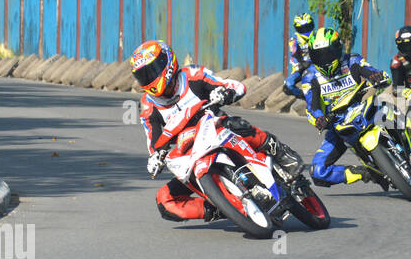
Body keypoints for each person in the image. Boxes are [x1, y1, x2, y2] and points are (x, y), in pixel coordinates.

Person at [131, 40, 300, 222]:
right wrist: (156, 156)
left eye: (152, 70)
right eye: (143, 76)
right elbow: (154, 141)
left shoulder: (193, 75)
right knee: (164, 199)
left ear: (167, 62)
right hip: (190, 153)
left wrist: (224, 92)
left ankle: (278, 150)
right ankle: (219, 208)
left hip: (217, 128)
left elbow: (234, 86)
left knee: (235, 124)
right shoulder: (148, 106)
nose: (149, 78)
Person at [301, 27, 390, 188]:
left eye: (327, 54)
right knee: (317, 171)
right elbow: (312, 104)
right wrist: (319, 118)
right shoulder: (310, 77)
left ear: (337, 49)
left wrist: (376, 76)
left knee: (393, 107)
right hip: (338, 125)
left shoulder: (351, 60)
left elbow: (368, 70)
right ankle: (365, 173)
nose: (324, 60)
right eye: (318, 56)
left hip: (364, 108)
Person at [283, 12, 316, 101]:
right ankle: (306, 98)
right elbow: (293, 56)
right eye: (302, 29)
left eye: (308, 27)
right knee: (288, 85)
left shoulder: (317, 35)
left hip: (317, 63)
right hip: (302, 66)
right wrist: (299, 65)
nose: (305, 30)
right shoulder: (294, 39)